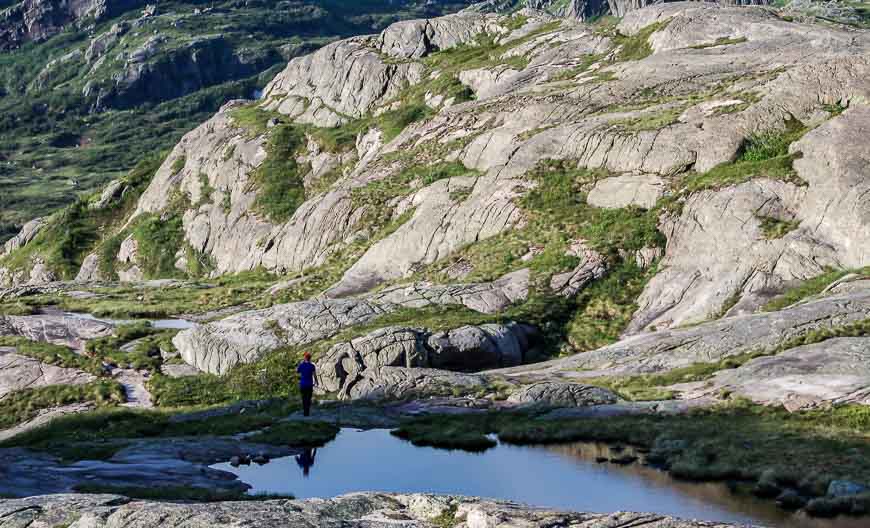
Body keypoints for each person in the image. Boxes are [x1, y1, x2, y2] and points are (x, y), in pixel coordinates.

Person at [297, 352, 316, 416]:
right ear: (310, 358)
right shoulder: (312, 366)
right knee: (308, 398)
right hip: (309, 384)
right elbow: (314, 375)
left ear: (304, 358)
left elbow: (297, 371)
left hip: (302, 384)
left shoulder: (301, 365)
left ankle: (305, 412)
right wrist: (316, 381)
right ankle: (307, 412)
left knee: (304, 398)